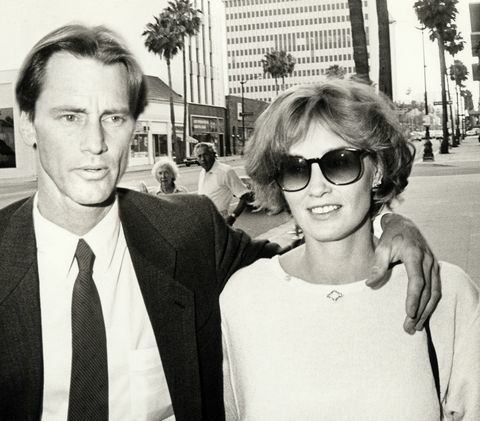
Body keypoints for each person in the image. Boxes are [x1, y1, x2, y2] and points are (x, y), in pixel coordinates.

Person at [0, 24, 439, 421]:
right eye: (70, 116)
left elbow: (313, 258)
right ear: (27, 125)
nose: (95, 143)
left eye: (113, 118)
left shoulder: (188, 231)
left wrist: (390, 222)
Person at [221, 80, 480, 420]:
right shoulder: (242, 298)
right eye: (296, 168)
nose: (317, 188)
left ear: (378, 171)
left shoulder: (444, 293)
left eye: (340, 163)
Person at [194, 142, 251, 225]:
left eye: (205, 155)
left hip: (219, 220)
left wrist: (233, 217)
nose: (202, 159)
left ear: (213, 154)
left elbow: (245, 196)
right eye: (199, 156)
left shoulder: (225, 171)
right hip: (204, 221)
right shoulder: (202, 172)